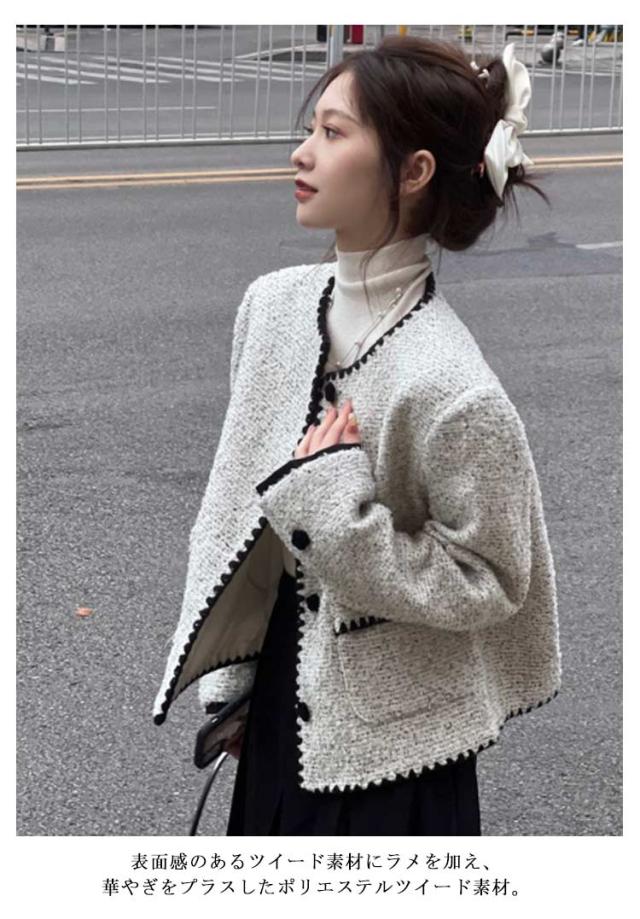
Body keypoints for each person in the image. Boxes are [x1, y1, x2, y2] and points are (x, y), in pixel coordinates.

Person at [152, 35, 561, 836]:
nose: (302, 152)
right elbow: (235, 501)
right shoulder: (271, 308)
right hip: (280, 700)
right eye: (313, 128)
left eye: (334, 133)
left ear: (413, 171)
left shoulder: (452, 386)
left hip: (396, 756)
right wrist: (235, 681)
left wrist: (339, 517)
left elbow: (492, 579)